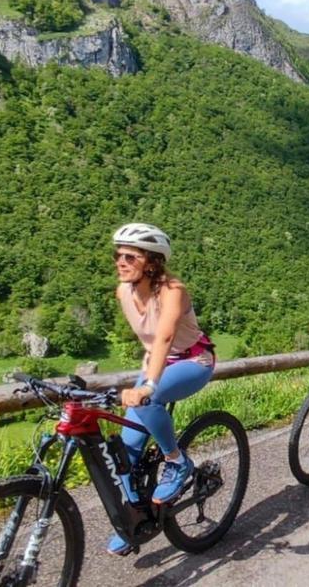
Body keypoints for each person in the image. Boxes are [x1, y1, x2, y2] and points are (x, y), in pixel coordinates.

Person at [108, 223, 216, 555]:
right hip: (156, 364)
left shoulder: (173, 290)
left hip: (193, 362)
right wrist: (147, 377)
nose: (120, 262)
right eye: (117, 255)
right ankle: (135, 521)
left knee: (148, 399)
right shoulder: (123, 291)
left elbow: (165, 338)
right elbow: (150, 345)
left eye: (130, 256)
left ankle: (176, 460)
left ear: (152, 262)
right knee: (123, 456)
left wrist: (148, 385)